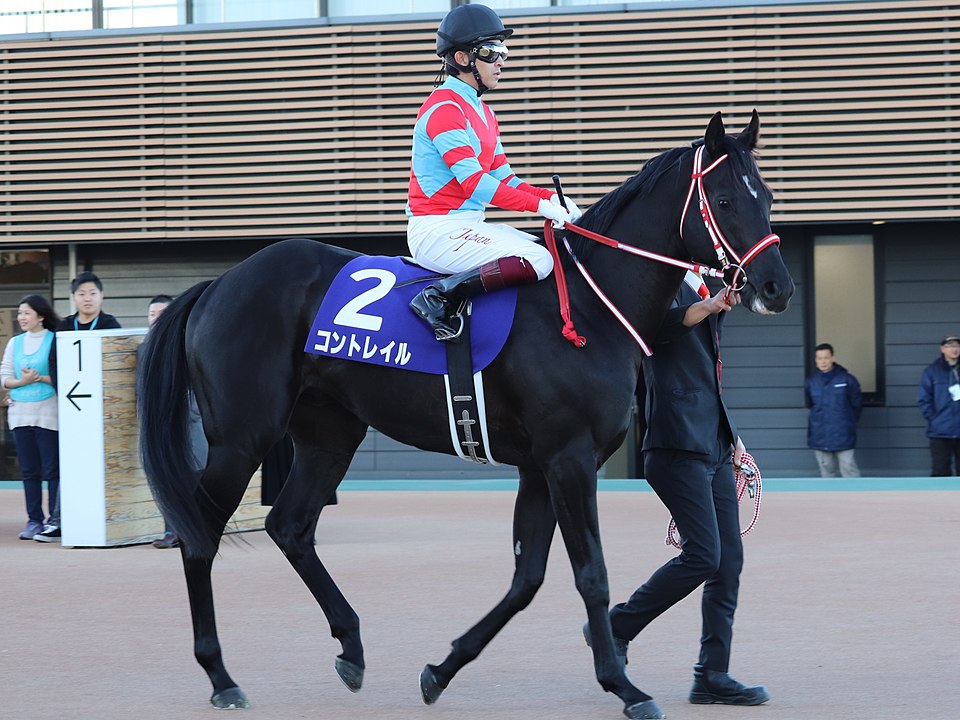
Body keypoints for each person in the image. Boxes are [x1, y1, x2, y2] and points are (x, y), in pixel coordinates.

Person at [590, 272, 769, 706]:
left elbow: (707, 372)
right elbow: (649, 332)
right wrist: (705, 307)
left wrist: (732, 436)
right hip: (674, 443)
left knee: (727, 563)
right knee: (704, 556)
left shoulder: (705, 284)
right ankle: (615, 626)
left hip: (714, 443)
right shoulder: (658, 282)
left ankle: (711, 676)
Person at [405, 4, 582, 341]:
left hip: (467, 226)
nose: (501, 60)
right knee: (539, 260)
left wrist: (552, 198)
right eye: (491, 52)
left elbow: (505, 179)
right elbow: (475, 184)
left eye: (503, 51)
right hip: (436, 231)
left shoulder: (484, 112)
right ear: (462, 59)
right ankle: (439, 296)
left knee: (551, 250)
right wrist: (541, 207)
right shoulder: (444, 109)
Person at [41, 271, 122, 542]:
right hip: (73, 407)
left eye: (92, 293)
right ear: (74, 298)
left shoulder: (110, 324)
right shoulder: (64, 326)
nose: (87, 298)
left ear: (102, 296)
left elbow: (117, 361)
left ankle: (108, 519)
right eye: (81, 294)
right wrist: (63, 393)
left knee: (104, 463)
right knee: (71, 463)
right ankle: (59, 521)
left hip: (104, 409)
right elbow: (53, 362)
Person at [1, 295, 62, 541]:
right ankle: (34, 520)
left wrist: (39, 378)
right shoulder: (14, 343)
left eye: (27, 313)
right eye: (20, 313)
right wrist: (22, 382)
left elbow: (63, 375)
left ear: (41, 316)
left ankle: (55, 521)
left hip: (48, 413)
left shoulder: (55, 339)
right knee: (29, 472)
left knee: (52, 470)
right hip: (19, 415)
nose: (21, 318)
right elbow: (4, 378)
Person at [140, 295, 181, 548]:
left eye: (161, 313)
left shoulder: (183, 344)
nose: (156, 319)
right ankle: (172, 531)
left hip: (182, 423)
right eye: (152, 314)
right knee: (162, 478)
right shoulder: (144, 348)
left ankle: (182, 531)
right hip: (155, 424)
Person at [804, 343, 862, 477]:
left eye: (826, 358)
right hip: (820, 435)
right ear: (816, 360)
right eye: (819, 358)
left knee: (849, 470)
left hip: (843, 434)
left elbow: (857, 405)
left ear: (833, 358)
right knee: (827, 473)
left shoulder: (847, 379)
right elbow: (810, 404)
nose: (823, 362)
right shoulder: (811, 382)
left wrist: (848, 422)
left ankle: (855, 492)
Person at [918, 334, 960, 476]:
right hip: (940, 430)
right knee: (940, 471)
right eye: (950, 346)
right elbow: (924, 399)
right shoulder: (932, 371)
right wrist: (934, 419)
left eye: (957, 346)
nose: (955, 349)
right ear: (942, 349)